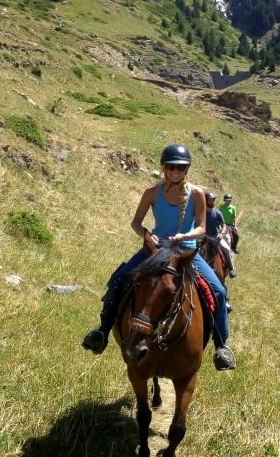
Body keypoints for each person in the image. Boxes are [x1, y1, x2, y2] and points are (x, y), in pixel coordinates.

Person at [82, 144, 236, 371]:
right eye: (171, 166)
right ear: (164, 167)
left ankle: (221, 346)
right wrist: (146, 235)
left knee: (219, 291)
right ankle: (102, 331)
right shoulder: (152, 192)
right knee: (118, 279)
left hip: (185, 251)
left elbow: (202, 228)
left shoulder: (197, 194)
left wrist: (186, 234)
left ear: (187, 168)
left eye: (180, 167)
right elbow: (136, 222)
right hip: (155, 250)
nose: (175, 170)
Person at [205, 192, 237, 278]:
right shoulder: (201, 213)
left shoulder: (217, 213)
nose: (212, 202)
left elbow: (224, 225)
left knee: (227, 249)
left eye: (213, 200)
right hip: (204, 238)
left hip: (216, 237)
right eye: (210, 201)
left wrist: (222, 233)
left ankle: (231, 269)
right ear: (205, 201)